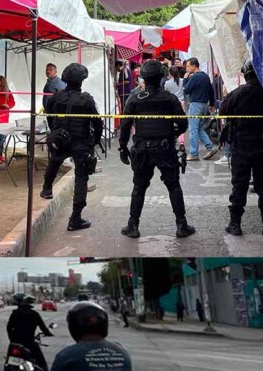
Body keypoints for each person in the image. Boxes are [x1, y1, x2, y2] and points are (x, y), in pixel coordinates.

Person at [118, 59, 195, 239]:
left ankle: (133, 225)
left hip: (142, 149)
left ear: (143, 78)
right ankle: (181, 225)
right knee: (173, 186)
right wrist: (171, 134)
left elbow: (125, 124)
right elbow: (183, 123)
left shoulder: (135, 98)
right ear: (161, 76)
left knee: (139, 187)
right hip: (164, 148)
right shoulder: (169, 98)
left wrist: (123, 147)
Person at [220, 59, 263, 236]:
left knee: (239, 185)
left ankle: (235, 224)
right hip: (262, 144)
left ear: (246, 74)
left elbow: (222, 112)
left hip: (241, 145)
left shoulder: (237, 93)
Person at [42, 63, 103, 231]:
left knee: (55, 160)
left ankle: (47, 188)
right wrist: (95, 141)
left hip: (61, 138)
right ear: (81, 81)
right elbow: (98, 123)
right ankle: (75, 219)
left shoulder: (56, 97)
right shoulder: (86, 99)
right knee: (81, 178)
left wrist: (56, 131)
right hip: (81, 143)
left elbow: (49, 116)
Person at [7, 294, 53, 371]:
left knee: (9, 360)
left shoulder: (15, 313)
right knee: (40, 361)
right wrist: (48, 333)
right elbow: (43, 327)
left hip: (16, 342)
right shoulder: (34, 314)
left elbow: (9, 327)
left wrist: (12, 339)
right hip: (29, 342)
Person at [182, 58, 217, 161]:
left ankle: (194, 153)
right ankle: (210, 147)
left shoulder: (195, 77)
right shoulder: (205, 77)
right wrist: (211, 103)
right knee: (199, 128)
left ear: (194, 66)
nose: (187, 68)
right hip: (204, 105)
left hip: (195, 104)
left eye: (188, 66)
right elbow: (211, 91)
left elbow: (186, 90)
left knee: (193, 129)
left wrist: (185, 79)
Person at [0, 75, 15, 164]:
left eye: (0, 86)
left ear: (4, 85)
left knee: (2, 138)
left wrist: (8, 105)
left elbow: (13, 102)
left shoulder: (8, 92)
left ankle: (0, 155)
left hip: (4, 118)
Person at [164, 65, 187, 152]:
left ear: (170, 73)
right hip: (181, 102)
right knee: (181, 122)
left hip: (171, 103)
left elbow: (166, 93)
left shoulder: (167, 83)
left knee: (171, 121)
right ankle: (181, 143)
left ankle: (172, 138)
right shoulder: (182, 81)